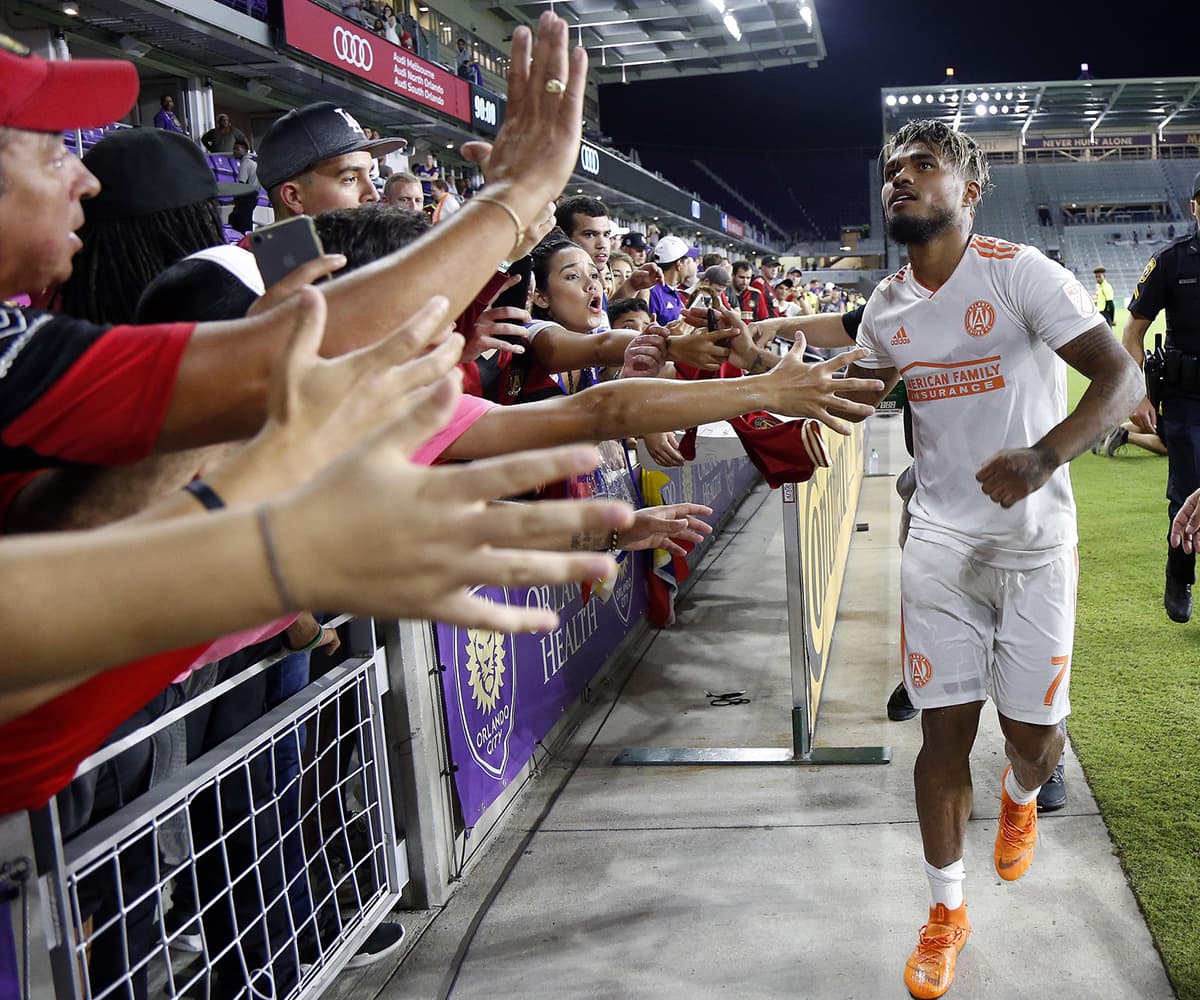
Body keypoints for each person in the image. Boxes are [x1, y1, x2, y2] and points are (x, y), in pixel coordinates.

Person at [839, 119, 1141, 999]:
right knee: (943, 732)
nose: (900, 179)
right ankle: (945, 915)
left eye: (923, 167)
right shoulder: (886, 303)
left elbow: (1123, 381)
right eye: (893, 168)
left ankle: (1020, 795)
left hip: (1037, 545)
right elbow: (856, 396)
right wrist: (771, 370)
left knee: (1033, 739)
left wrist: (1044, 456)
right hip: (938, 544)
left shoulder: (1020, 274)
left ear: (970, 190)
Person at [1121, 170, 1200, 623]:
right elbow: (1133, 332)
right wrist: (1139, 395)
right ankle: (1180, 575)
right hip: (1187, 398)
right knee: (1188, 492)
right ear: (1193, 207)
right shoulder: (1171, 262)